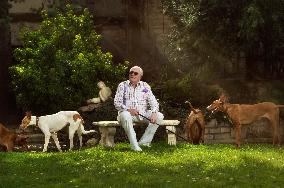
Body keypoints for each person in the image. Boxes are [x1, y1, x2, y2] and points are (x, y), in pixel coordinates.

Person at [114, 66, 164, 151]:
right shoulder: (123, 85)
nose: (132, 74)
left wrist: (154, 112)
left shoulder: (145, 86)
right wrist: (129, 110)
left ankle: (144, 143)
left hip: (142, 114)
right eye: (131, 73)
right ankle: (134, 145)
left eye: (135, 73)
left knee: (159, 116)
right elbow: (117, 103)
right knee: (125, 115)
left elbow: (153, 102)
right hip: (126, 114)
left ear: (140, 76)